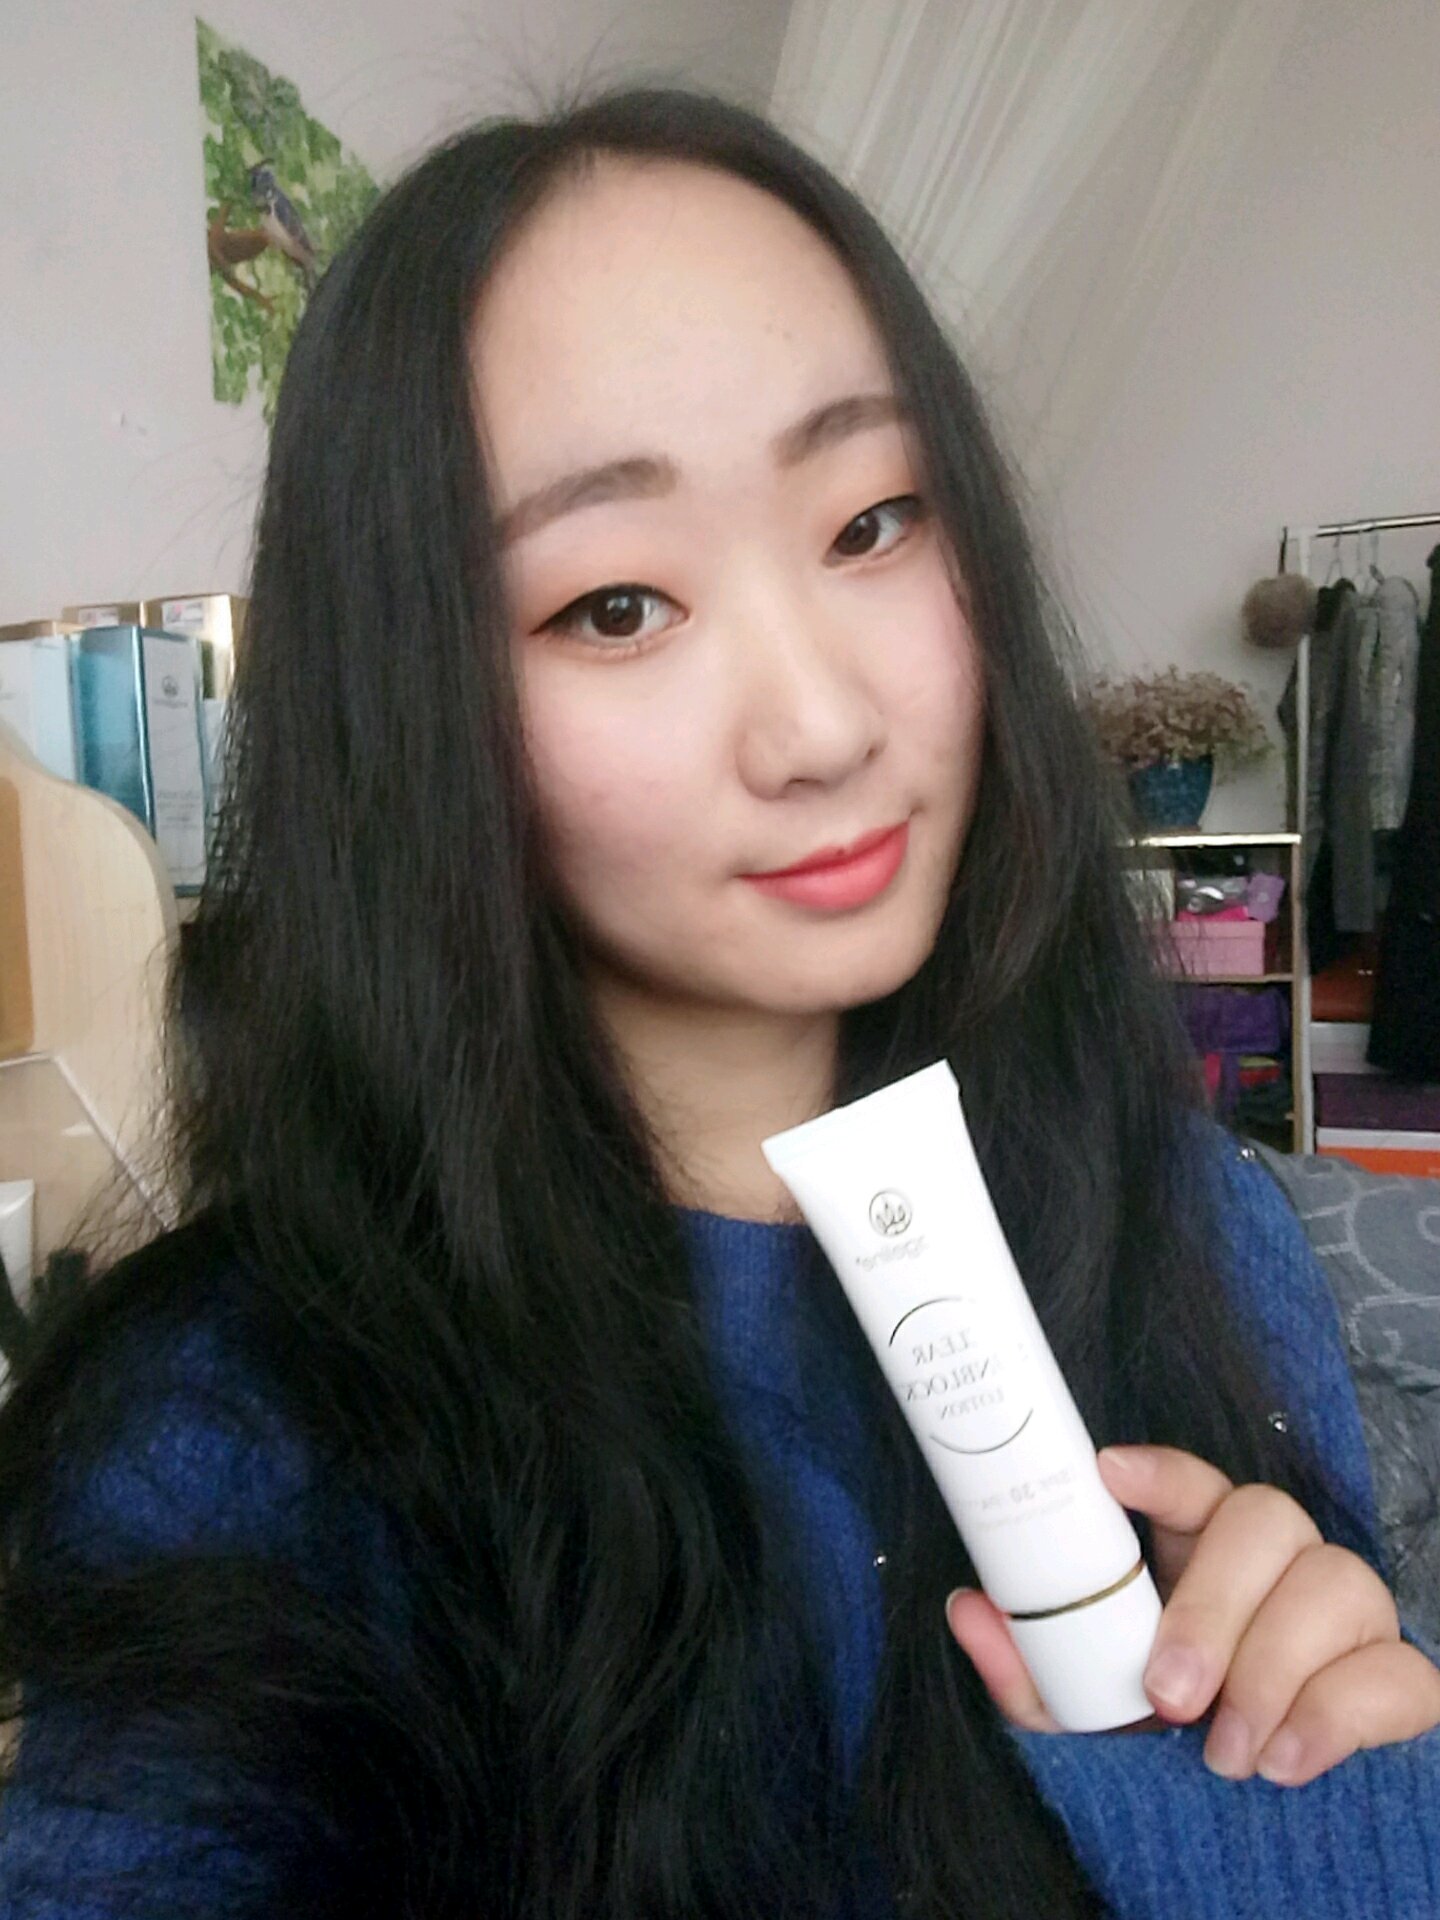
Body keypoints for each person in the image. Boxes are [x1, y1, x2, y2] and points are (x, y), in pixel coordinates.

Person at [1, 86, 1437, 1920]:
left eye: (874, 519)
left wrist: (1324, 1829)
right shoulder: (230, 1427)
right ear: (417, 712)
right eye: (616, 606)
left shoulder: (1204, 1227)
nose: (825, 726)